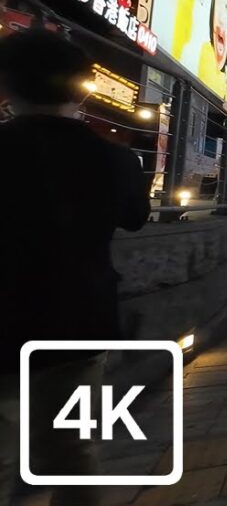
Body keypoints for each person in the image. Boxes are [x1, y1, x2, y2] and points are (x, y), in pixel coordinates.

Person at [0, 30, 151, 505]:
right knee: (70, 453)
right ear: (83, 88)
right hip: (79, 320)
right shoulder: (115, 159)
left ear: (7, 85)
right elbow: (135, 218)